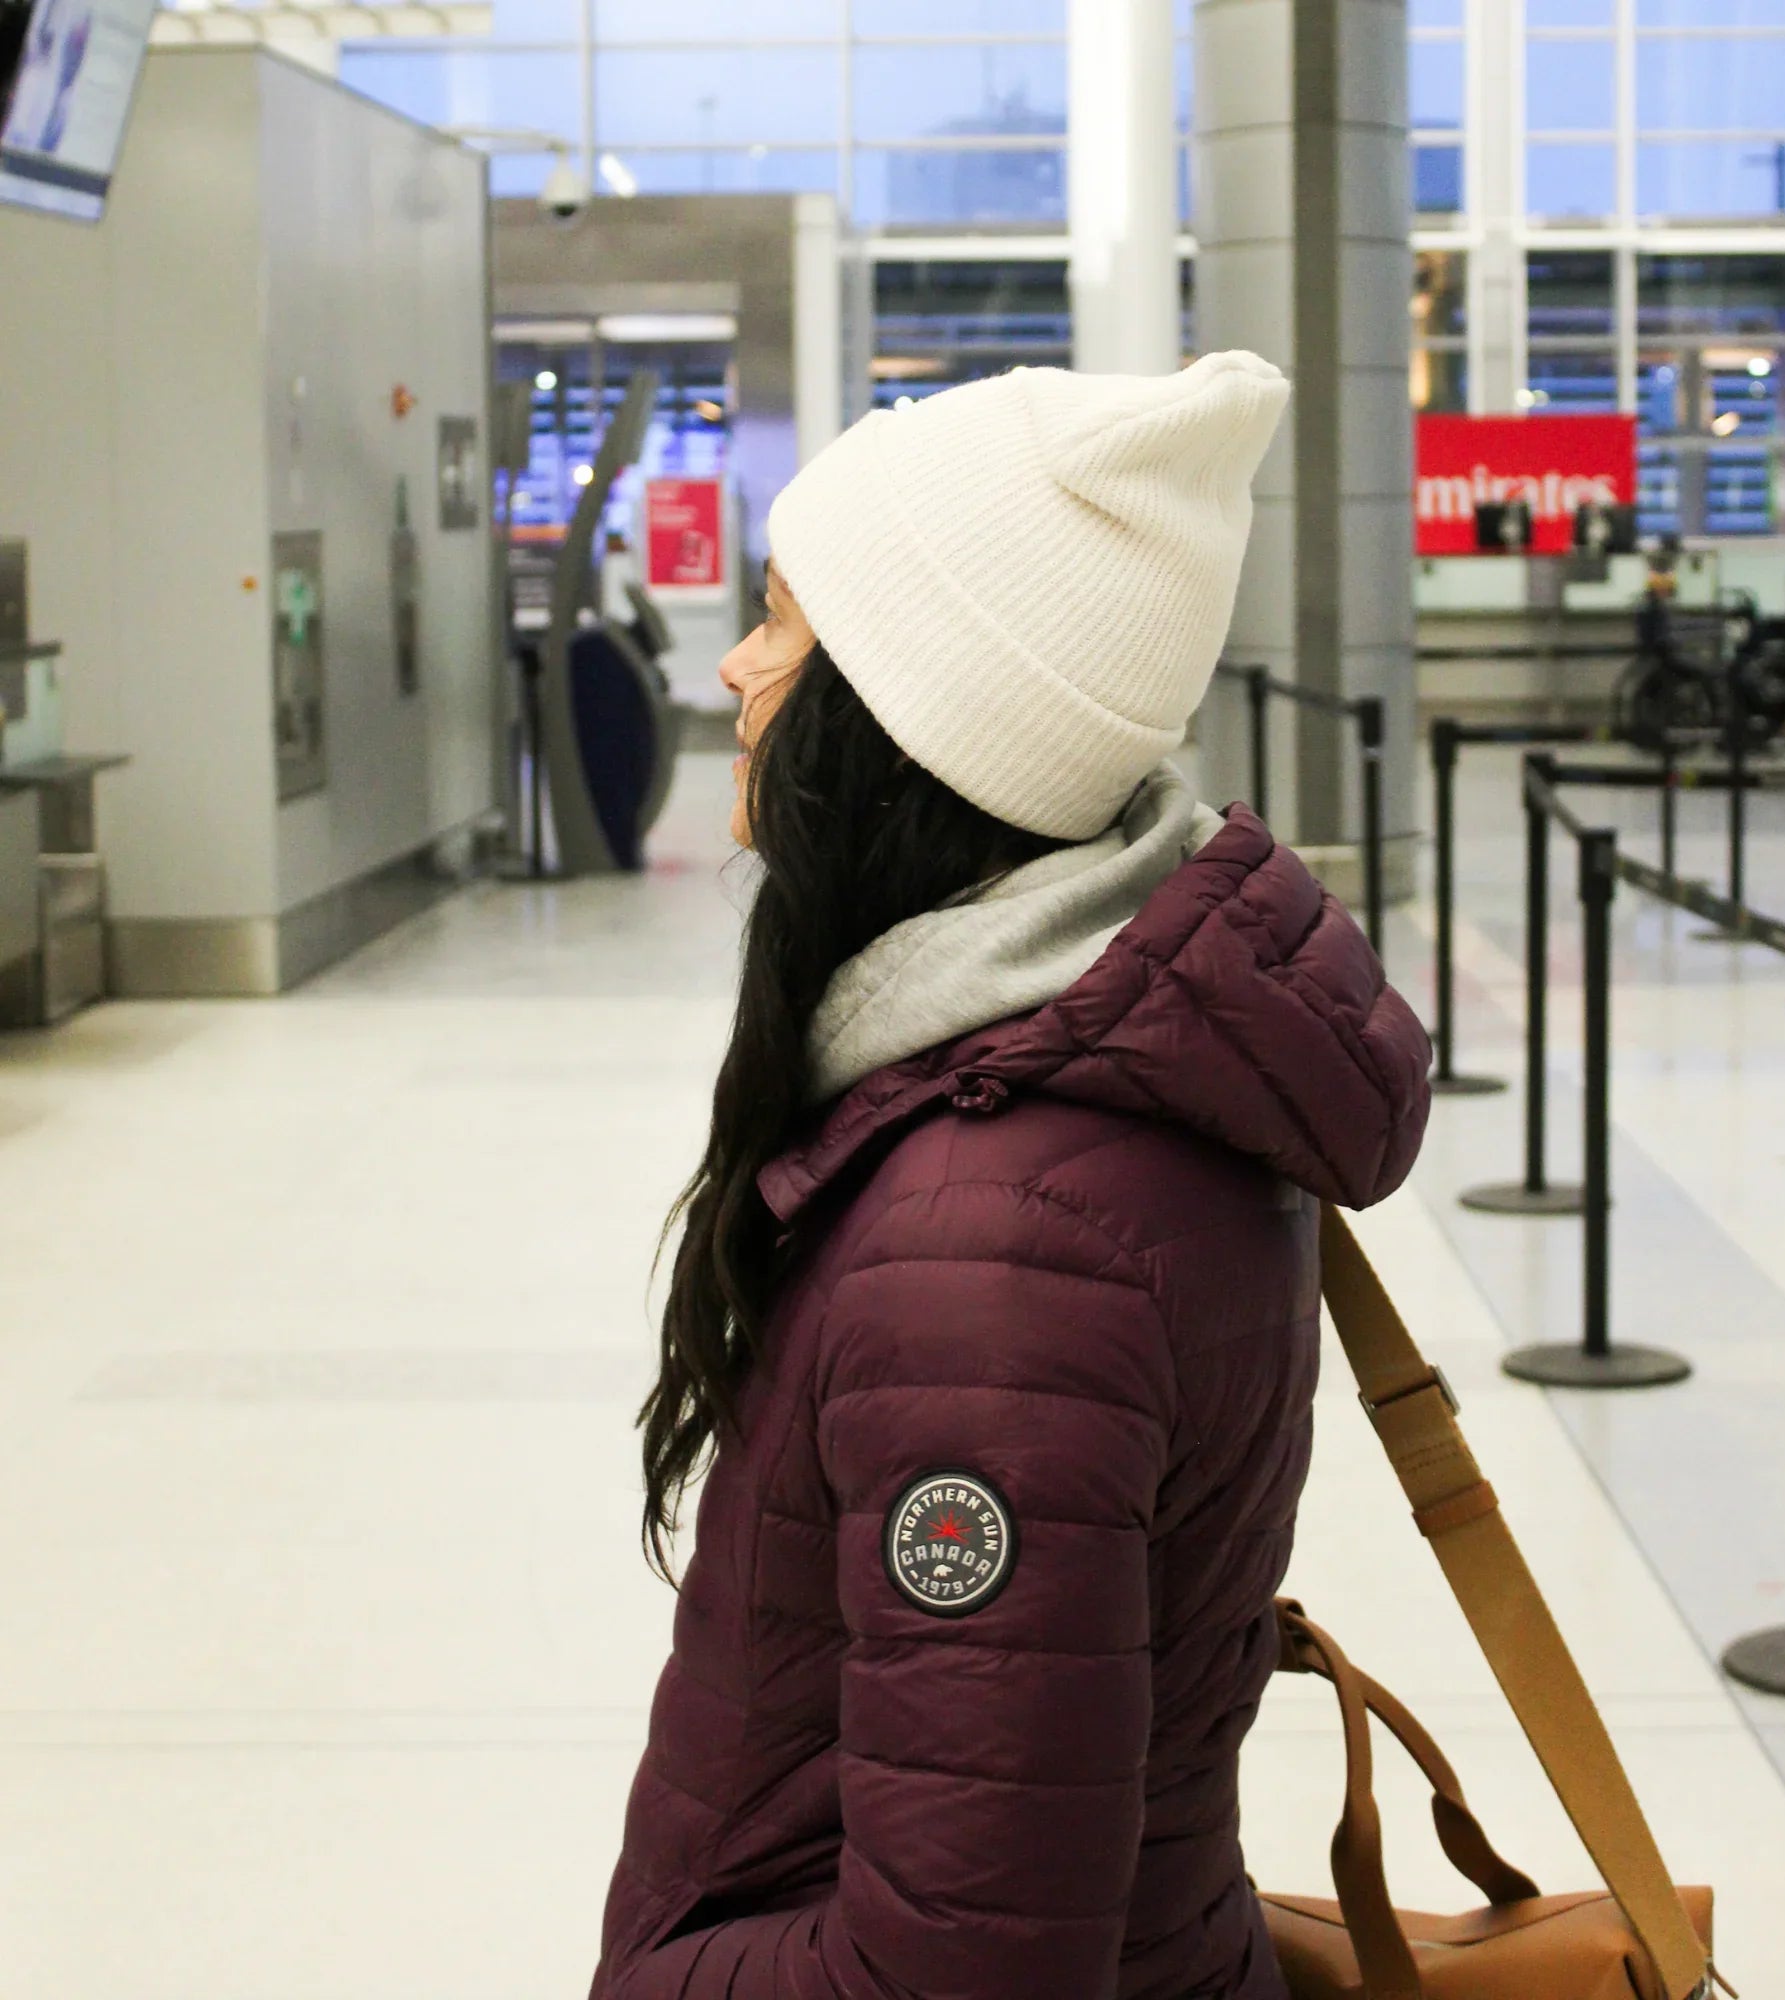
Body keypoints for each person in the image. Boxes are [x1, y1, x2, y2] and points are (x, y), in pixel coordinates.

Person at [586, 353, 1433, 2000]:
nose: (739, 667)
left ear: (906, 715)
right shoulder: (1070, 1086)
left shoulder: (993, 1257)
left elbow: (960, 1969)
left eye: (781, 620)